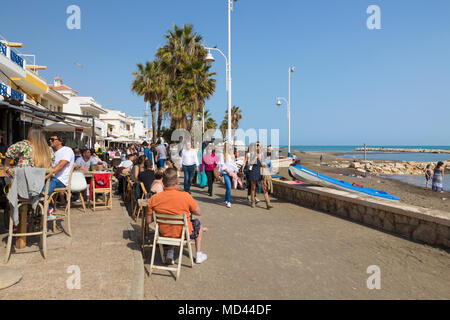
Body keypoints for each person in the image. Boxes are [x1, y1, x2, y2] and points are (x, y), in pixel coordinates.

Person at [147, 168, 208, 264]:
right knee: (198, 225)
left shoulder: (154, 199)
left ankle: (170, 253)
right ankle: (198, 254)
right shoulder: (185, 196)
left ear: (163, 182)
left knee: (171, 226)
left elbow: (148, 221)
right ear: (177, 181)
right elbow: (198, 212)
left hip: (164, 233)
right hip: (182, 233)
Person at [48, 133, 75, 215]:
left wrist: (48, 174)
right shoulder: (53, 152)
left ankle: (47, 209)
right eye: (49, 139)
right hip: (52, 178)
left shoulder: (67, 150)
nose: (50, 141)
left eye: (52, 139)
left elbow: (60, 166)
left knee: (43, 189)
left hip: (60, 180)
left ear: (60, 141)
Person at [248, 142, 273, 209]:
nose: (258, 146)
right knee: (253, 188)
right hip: (253, 172)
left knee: (264, 188)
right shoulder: (252, 154)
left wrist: (264, 164)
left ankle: (268, 203)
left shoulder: (262, 154)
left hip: (260, 172)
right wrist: (256, 157)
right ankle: (253, 202)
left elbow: (262, 163)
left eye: (258, 145)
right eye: (257, 145)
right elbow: (250, 164)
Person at [218, 142, 235, 208]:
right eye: (228, 147)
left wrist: (234, 172)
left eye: (230, 147)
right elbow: (222, 165)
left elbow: (234, 165)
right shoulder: (222, 155)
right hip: (226, 173)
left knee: (228, 188)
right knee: (229, 187)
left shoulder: (231, 155)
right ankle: (228, 201)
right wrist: (228, 172)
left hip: (231, 173)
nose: (230, 148)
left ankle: (225, 199)